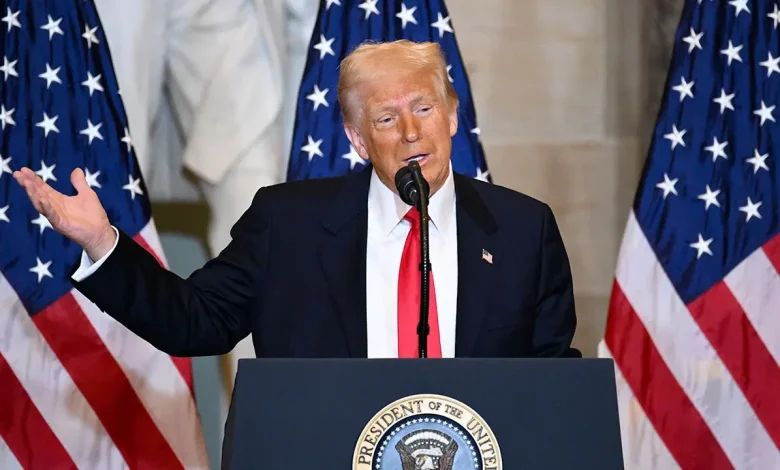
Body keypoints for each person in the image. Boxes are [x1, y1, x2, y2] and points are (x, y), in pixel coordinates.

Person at [13, 40, 580, 360]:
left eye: (425, 109)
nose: (411, 132)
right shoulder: (288, 224)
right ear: (358, 139)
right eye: (386, 118)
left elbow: (551, 387)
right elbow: (193, 322)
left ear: (453, 115)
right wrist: (102, 243)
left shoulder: (523, 230)